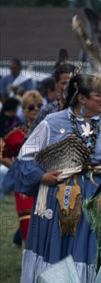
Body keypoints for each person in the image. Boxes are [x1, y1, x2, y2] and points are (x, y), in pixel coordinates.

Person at [3, 73, 101, 283]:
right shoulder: (52, 122)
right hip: (58, 206)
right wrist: (41, 176)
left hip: (96, 207)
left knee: (92, 257)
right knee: (61, 257)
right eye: (97, 95)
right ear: (81, 98)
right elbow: (25, 158)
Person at [1, 90, 44, 241]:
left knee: (44, 223)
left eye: (39, 106)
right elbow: (3, 156)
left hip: (44, 182)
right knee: (27, 224)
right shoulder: (15, 135)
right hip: (24, 186)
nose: (36, 109)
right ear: (24, 111)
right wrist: (19, 168)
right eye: (31, 107)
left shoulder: (51, 131)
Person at [29, 63, 76, 133]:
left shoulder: (87, 111)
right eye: (64, 83)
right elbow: (30, 140)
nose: (68, 87)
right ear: (56, 84)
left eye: (72, 83)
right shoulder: (47, 111)